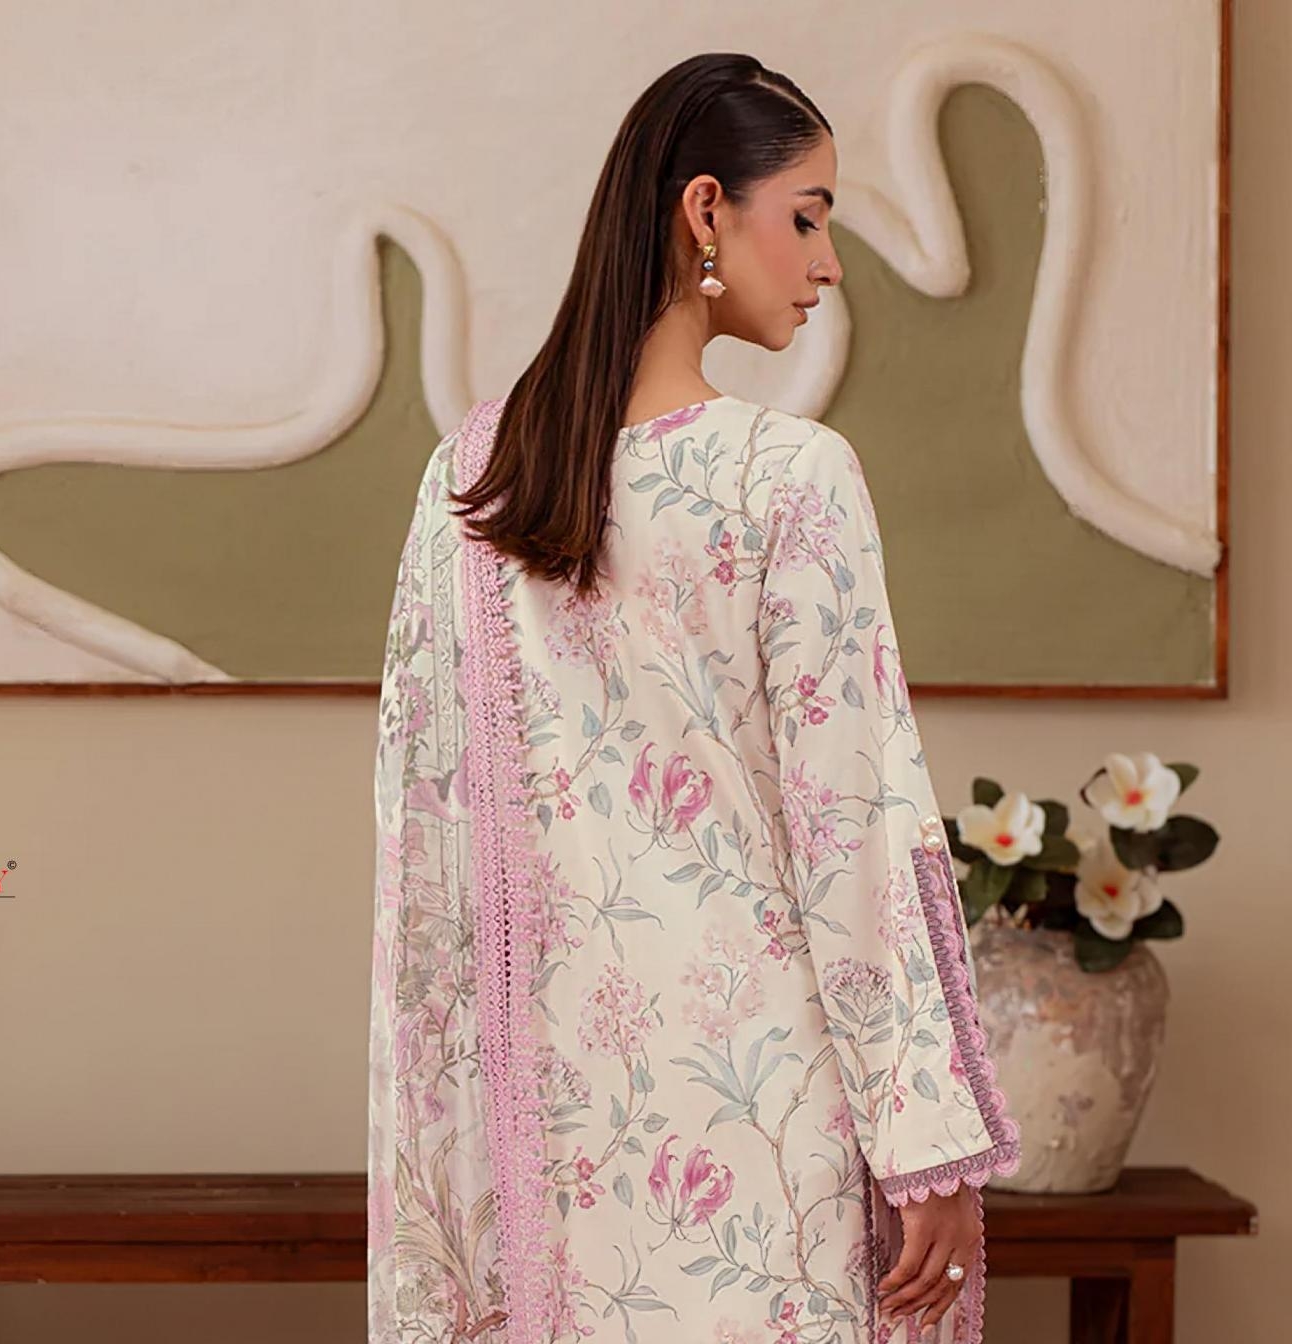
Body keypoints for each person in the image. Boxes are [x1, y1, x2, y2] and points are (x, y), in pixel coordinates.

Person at [367, 51, 1021, 1344]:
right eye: (810, 218)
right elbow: (857, 827)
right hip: (765, 1108)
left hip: (545, 1123)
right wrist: (928, 1142)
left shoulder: (472, 482)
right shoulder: (790, 477)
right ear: (706, 209)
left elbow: (423, 847)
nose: (829, 265)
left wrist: (446, 1201)